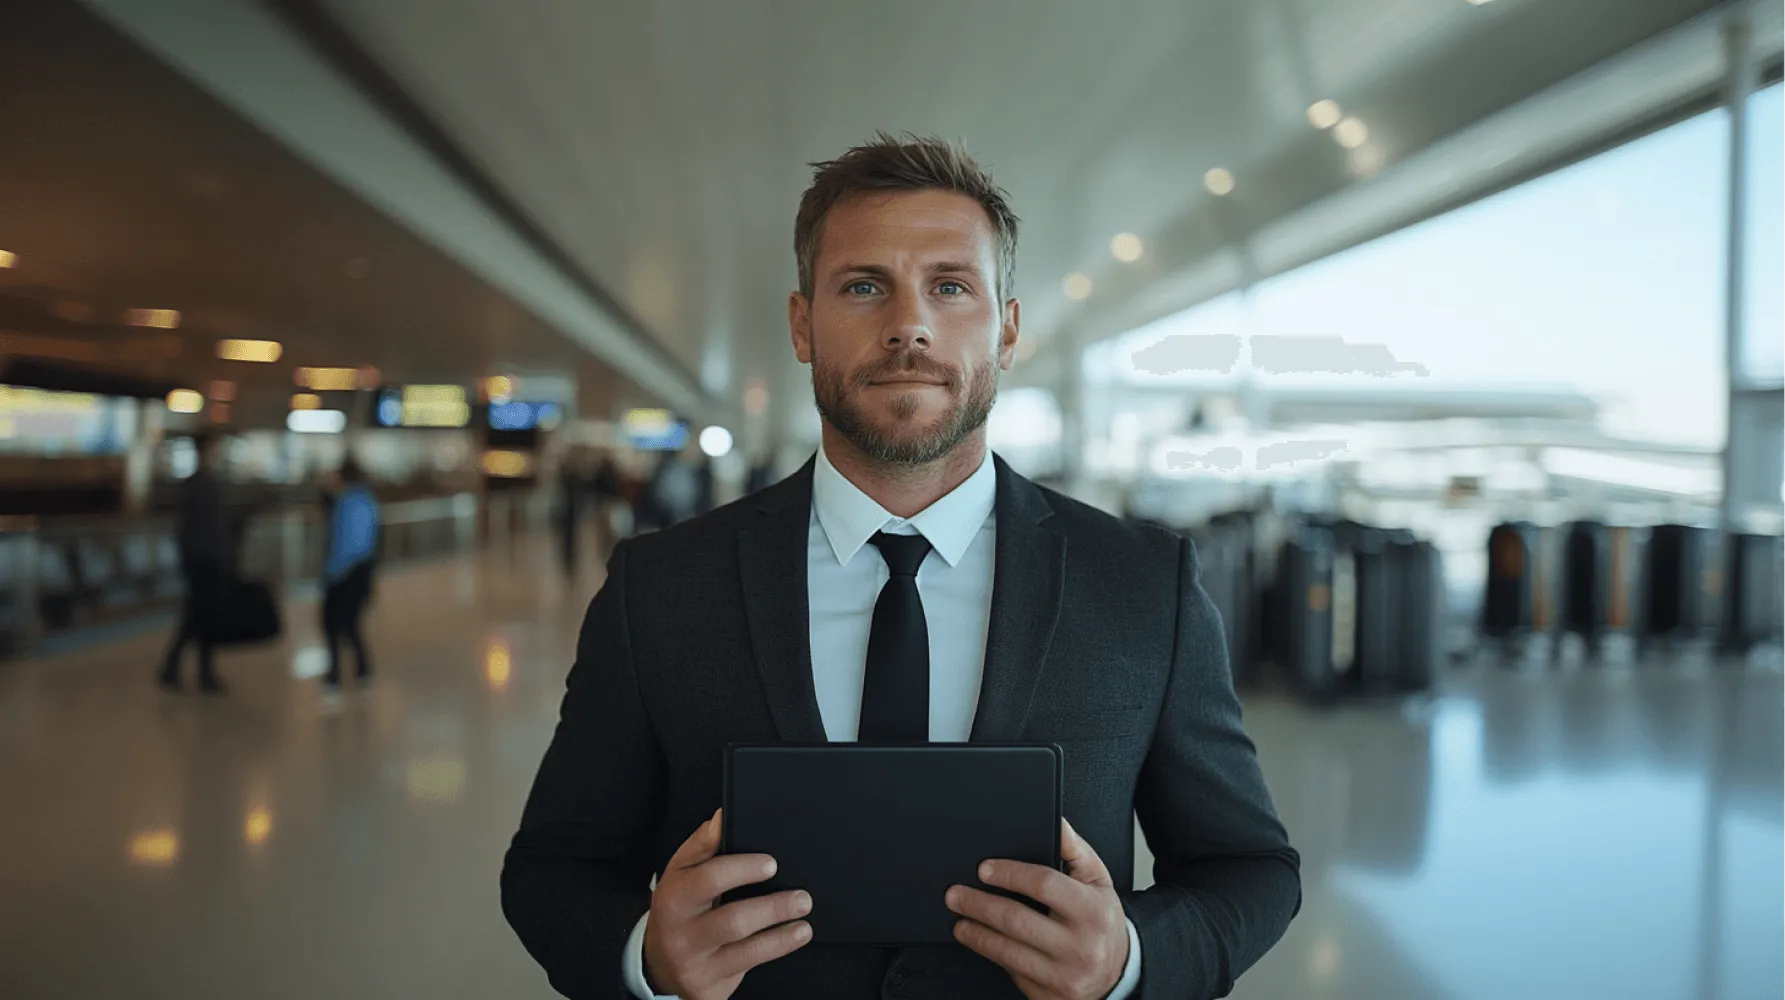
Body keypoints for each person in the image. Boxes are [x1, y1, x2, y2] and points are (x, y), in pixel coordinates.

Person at [502, 134, 1299, 1000]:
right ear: (803, 325)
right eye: (862, 286)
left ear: (1007, 328)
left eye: (951, 287)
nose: (908, 324)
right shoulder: (659, 587)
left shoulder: (1144, 585)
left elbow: (1250, 868)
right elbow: (554, 868)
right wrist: (646, 961)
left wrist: (1127, 960)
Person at [158, 432, 235, 695]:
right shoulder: (205, 485)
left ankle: (178, 667)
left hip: (199, 560)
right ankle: (199, 671)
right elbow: (207, 529)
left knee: (196, 615)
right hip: (206, 561)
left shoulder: (195, 485)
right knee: (202, 616)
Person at [321, 455, 380, 689]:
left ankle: (337, 673)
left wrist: (331, 573)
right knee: (350, 624)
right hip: (359, 572)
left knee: (334, 624)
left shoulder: (349, 503)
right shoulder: (365, 501)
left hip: (344, 574)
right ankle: (361, 670)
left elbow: (345, 543)